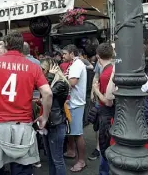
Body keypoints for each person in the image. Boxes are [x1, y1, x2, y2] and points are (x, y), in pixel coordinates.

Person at [0, 31, 53, 175]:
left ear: (6, 45)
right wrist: (45, 116)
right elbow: (47, 93)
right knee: (21, 169)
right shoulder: (33, 66)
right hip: (22, 126)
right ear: (22, 46)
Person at [41, 58, 69, 175]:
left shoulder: (61, 83)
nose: (41, 72)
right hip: (49, 123)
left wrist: (50, 77)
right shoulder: (54, 82)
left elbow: (47, 94)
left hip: (56, 124)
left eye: (43, 69)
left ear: (50, 69)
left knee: (57, 160)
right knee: (51, 159)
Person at [62, 44, 87, 172]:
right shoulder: (74, 64)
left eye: (65, 54)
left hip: (76, 103)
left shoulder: (77, 65)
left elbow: (72, 82)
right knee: (72, 131)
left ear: (72, 53)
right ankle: (72, 151)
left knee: (77, 133)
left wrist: (60, 78)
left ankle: (81, 161)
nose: (63, 56)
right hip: (73, 102)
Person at [92, 43, 115, 175]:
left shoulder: (106, 74)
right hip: (110, 115)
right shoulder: (111, 69)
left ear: (98, 56)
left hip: (106, 115)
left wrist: (96, 90)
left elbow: (108, 101)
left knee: (105, 148)